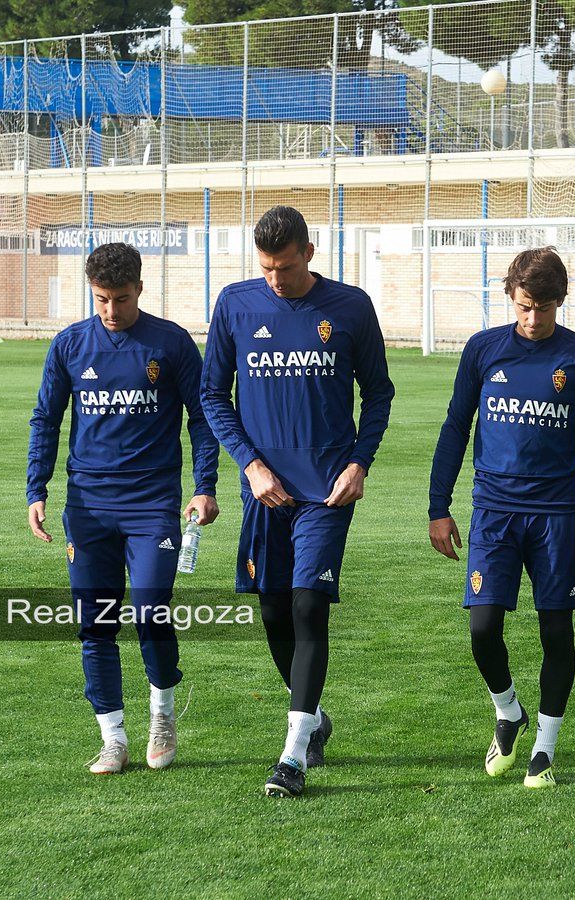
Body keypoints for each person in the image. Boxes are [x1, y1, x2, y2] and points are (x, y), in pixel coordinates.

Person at [201, 206, 395, 797]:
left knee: (310, 605)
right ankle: (311, 716)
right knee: (274, 612)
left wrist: (359, 462)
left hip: (327, 490)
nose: (276, 280)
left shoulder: (350, 306)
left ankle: (292, 756)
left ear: (309, 253)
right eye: (266, 268)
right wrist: (251, 465)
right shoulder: (236, 304)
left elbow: (379, 393)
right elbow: (213, 396)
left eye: (285, 267)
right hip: (264, 489)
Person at [27, 242, 219, 775]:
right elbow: (45, 419)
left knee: (150, 610)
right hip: (88, 507)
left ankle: (162, 713)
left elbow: (202, 419)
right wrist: (36, 489)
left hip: (152, 504)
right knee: (96, 624)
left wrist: (205, 486)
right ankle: (113, 737)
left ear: (140, 288)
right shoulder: (70, 345)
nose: (111, 311)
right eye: (101, 300)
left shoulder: (172, 343)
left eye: (121, 299)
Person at [429, 247, 575, 789]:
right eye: (525, 307)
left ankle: (544, 750)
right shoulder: (483, 349)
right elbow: (454, 429)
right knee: (483, 628)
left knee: (556, 630)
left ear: (561, 300)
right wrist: (438, 507)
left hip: (557, 515)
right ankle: (508, 710)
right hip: (493, 512)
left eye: (545, 307)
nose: (534, 319)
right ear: (511, 297)